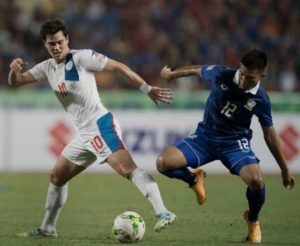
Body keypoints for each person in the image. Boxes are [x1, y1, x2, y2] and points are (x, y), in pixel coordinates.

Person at [8, 18, 176, 238]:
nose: (57, 47)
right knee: (57, 177)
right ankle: (48, 229)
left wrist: (146, 88)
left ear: (67, 39)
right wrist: (13, 70)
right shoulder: (47, 67)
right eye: (52, 44)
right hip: (84, 133)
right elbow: (16, 82)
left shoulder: (82, 57)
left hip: (100, 124)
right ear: (45, 44)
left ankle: (163, 211)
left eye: (60, 41)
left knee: (127, 170)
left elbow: (118, 66)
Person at [156, 48, 295, 244]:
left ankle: (253, 220)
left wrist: (284, 169)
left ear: (262, 76)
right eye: (243, 74)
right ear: (240, 67)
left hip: (234, 144)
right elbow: (197, 70)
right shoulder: (223, 74)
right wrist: (172, 74)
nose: (245, 81)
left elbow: (270, 134)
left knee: (256, 180)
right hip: (204, 137)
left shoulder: (261, 99)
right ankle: (194, 180)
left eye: (251, 79)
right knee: (163, 163)